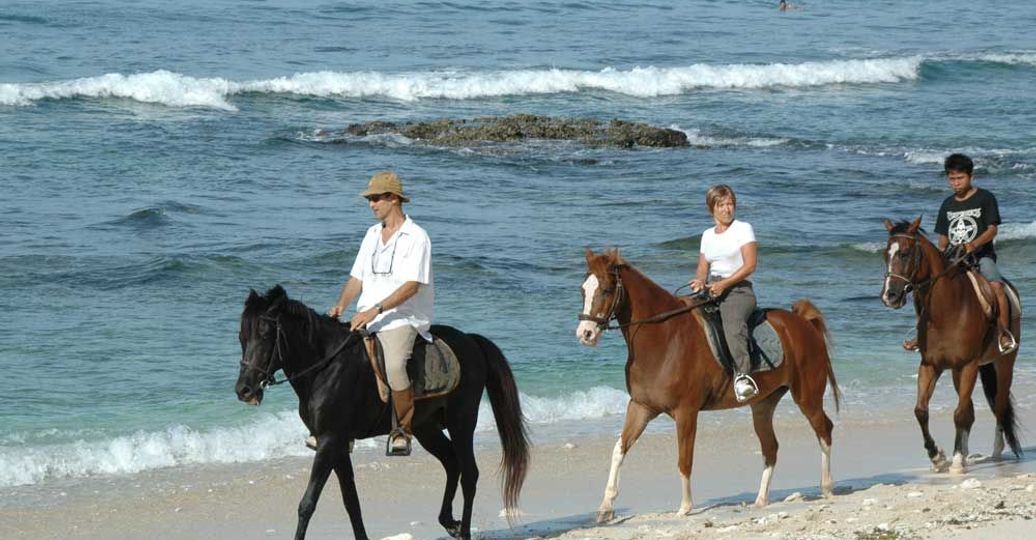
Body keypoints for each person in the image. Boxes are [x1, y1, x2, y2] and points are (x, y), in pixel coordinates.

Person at [325, 170, 434, 455]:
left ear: (393, 199)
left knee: (396, 365)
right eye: (369, 199)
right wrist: (342, 304)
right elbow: (357, 278)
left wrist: (376, 310)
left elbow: (412, 286)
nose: (371, 204)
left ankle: (402, 430)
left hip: (402, 317)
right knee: (337, 361)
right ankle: (342, 428)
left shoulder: (417, 237)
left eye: (375, 198)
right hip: (365, 315)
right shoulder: (372, 234)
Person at [903, 154, 1015, 354]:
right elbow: (944, 237)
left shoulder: (985, 198)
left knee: (997, 286)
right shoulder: (947, 204)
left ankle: (1003, 332)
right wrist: (940, 253)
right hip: (953, 257)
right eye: (952, 179)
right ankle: (922, 334)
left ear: (970, 176)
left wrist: (974, 244)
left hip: (981, 256)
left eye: (960, 178)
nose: (956, 183)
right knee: (924, 289)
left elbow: (992, 229)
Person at [690, 185, 760, 402]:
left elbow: (750, 266)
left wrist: (725, 284)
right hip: (713, 289)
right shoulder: (707, 235)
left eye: (730, 204)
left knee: (732, 323)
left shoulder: (743, 229)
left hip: (739, 290)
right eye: (722, 205)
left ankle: (743, 377)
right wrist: (700, 280)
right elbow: (703, 267)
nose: (727, 209)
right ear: (712, 208)